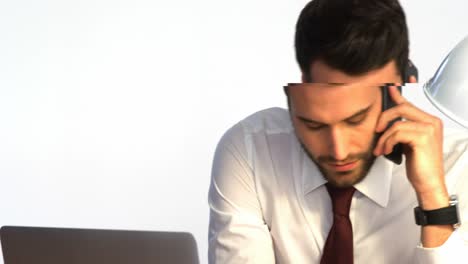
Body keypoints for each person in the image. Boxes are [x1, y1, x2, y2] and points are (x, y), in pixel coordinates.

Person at [208, 0, 468, 263]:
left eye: (358, 119)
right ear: (304, 83)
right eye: (316, 124)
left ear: (404, 87)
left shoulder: (460, 165)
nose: (339, 151)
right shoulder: (252, 149)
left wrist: (435, 202)